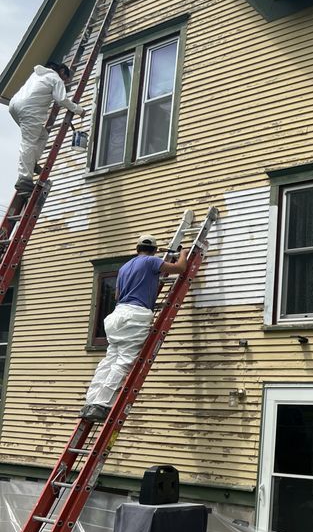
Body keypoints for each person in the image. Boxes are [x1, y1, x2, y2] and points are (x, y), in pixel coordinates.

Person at [80, 235, 189, 422]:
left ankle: (91, 401)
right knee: (124, 362)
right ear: (154, 250)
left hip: (117, 316)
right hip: (135, 316)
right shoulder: (151, 261)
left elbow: (117, 295)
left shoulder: (124, 267)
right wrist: (184, 254)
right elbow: (180, 268)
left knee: (109, 360)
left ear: (138, 248)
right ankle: (102, 404)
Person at [9, 61, 84, 194]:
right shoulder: (55, 78)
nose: (66, 82)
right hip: (29, 110)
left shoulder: (38, 75)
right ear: (62, 72)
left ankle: (31, 164)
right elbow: (61, 99)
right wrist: (78, 110)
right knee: (29, 142)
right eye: (66, 78)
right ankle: (24, 179)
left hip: (15, 105)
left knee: (42, 136)